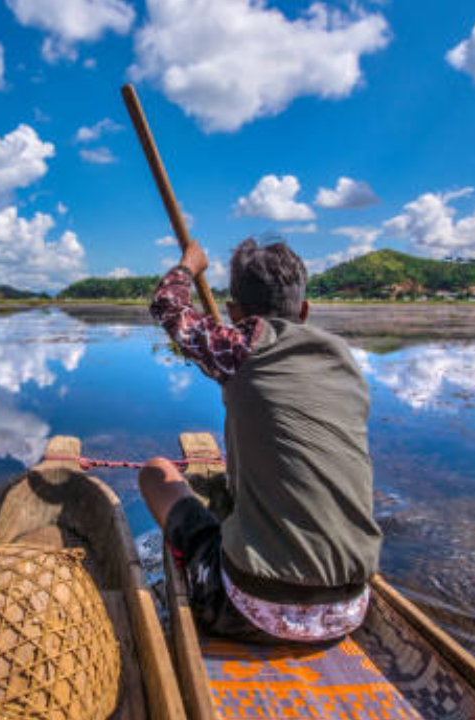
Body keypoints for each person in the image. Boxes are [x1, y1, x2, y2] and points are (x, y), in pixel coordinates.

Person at [140, 238, 381, 643]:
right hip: (352, 608)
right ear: (304, 311)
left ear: (234, 314)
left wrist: (189, 265)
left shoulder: (239, 346)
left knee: (154, 474)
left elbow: (168, 304)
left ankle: (193, 568)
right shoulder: (345, 362)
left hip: (251, 608)